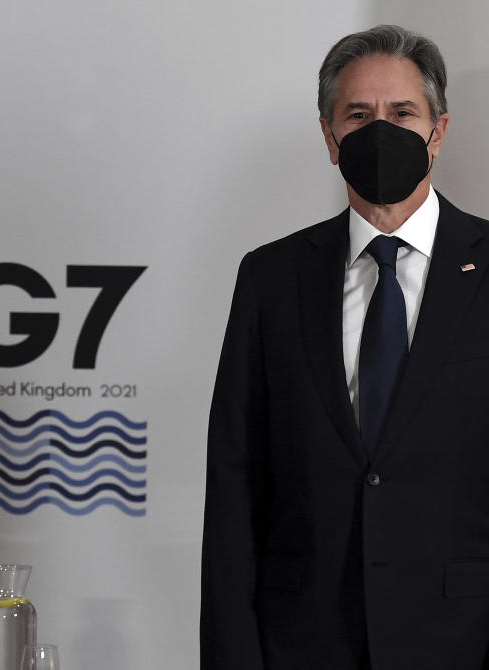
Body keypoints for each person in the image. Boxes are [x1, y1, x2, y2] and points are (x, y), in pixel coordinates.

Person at [201, 25, 489, 670]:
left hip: (459, 640)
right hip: (301, 642)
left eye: (402, 113)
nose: (379, 131)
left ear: (438, 132)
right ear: (331, 139)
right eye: (358, 115)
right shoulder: (271, 278)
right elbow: (235, 488)